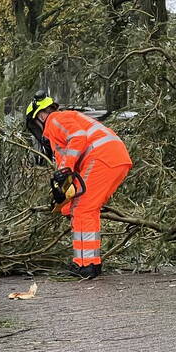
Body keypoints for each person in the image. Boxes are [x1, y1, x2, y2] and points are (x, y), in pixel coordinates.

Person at [24, 93, 132, 279]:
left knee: (83, 209)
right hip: (111, 159)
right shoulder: (64, 127)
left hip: (102, 158)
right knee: (84, 208)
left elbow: (78, 138)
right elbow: (70, 181)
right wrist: (61, 202)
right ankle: (90, 263)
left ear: (41, 115)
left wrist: (65, 168)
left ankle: (86, 264)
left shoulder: (55, 119)